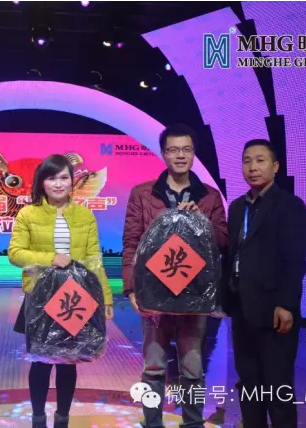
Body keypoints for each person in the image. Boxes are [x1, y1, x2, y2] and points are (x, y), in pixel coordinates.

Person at [122, 124, 228, 428]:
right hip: (154, 294)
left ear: (193, 153)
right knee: (153, 367)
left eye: (186, 149)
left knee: (192, 368)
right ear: (163, 153)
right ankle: (152, 422)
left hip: (194, 296)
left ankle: (192, 423)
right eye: (173, 149)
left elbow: (223, 242)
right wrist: (131, 289)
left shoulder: (209, 197)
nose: (180, 155)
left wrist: (201, 220)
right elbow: (131, 242)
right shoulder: (142, 193)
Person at [8, 154, 114, 428]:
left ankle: (62, 419)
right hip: (40, 298)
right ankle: (38, 419)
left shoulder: (85, 215)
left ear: (72, 181)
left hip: (75, 298)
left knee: (69, 360)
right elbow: (15, 253)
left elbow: (95, 259)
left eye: (64, 177)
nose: (58, 184)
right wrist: (50, 258)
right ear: (41, 183)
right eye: (52, 178)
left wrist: (105, 298)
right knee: (41, 361)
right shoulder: (28, 214)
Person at [221, 139, 306, 428]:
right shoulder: (237, 207)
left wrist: (286, 304)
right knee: (249, 384)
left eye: (260, 160)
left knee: (277, 387)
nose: (253, 167)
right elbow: (232, 255)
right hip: (242, 309)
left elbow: (294, 260)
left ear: (275, 166)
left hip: (274, 311)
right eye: (247, 161)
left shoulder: (290, 206)